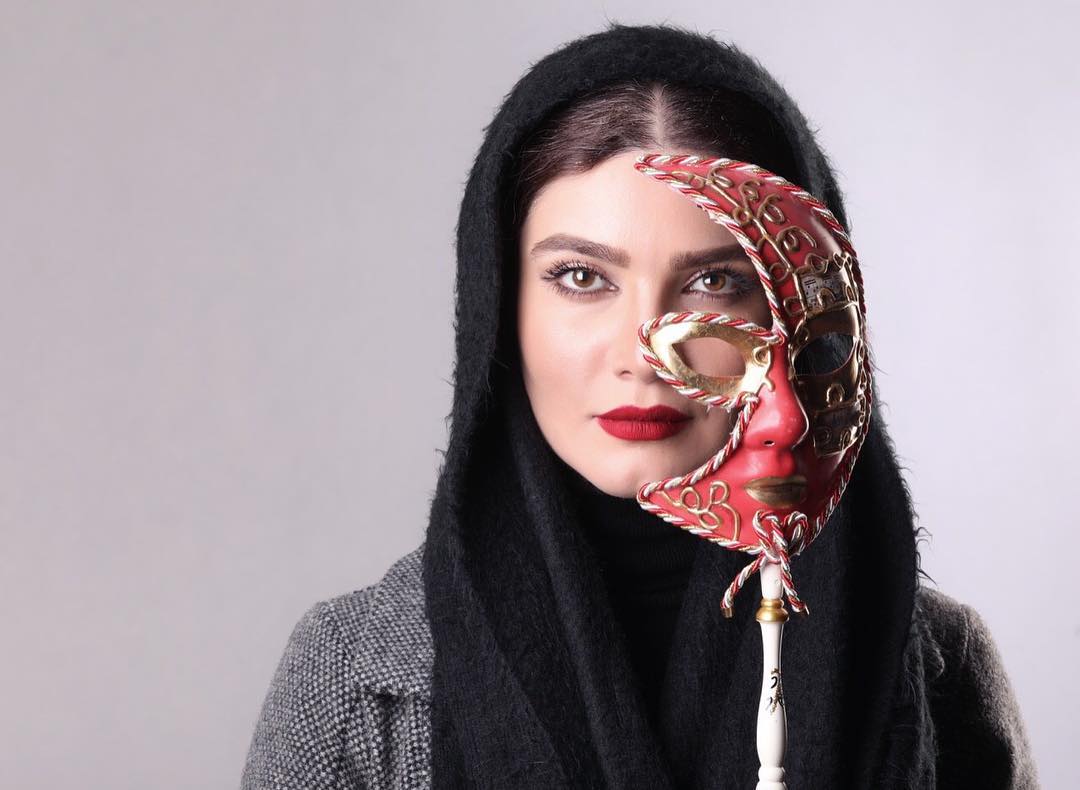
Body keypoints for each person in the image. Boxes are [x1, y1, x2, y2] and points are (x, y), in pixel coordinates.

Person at [240, 23, 1037, 789]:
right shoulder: (351, 678)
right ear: (499, 307)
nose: (644, 352)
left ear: (797, 314)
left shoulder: (940, 668)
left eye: (714, 281)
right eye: (583, 278)